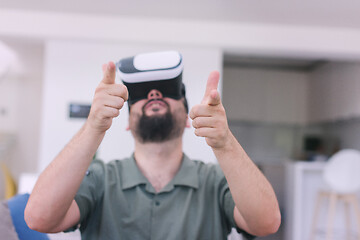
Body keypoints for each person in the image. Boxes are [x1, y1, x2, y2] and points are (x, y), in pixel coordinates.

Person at [24, 52, 281, 240]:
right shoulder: (100, 179)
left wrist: (225, 143)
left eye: (166, 91)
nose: (154, 95)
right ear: (126, 122)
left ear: (187, 119)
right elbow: (39, 218)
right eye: (143, 93)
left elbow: (266, 223)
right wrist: (94, 125)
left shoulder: (215, 181)